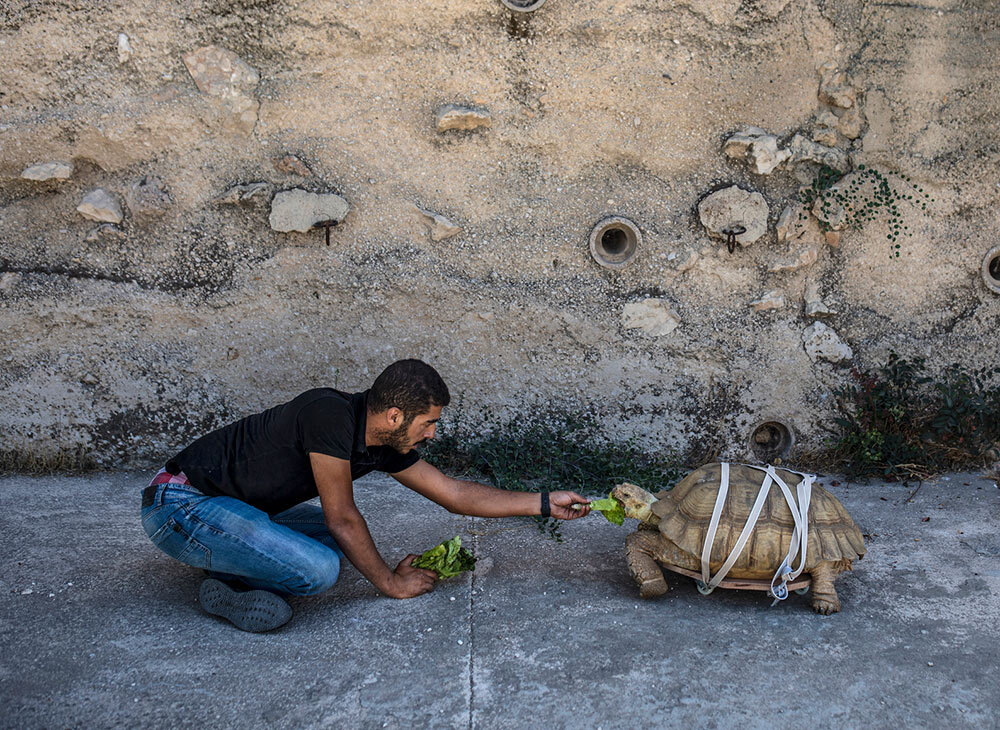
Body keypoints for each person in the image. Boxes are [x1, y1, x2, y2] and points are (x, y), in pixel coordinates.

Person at [140, 359, 591, 632]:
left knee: (348, 548)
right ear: (395, 415)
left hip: (234, 510)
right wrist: (390, 583)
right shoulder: (328, 415)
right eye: (428, 422)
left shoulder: (383, 442)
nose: (433, 433)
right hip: (180, 506)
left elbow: (453, 493)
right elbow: (342, 516)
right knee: (321, 569)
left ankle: (230, 573)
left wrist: (544, 502)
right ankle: (226, 588)